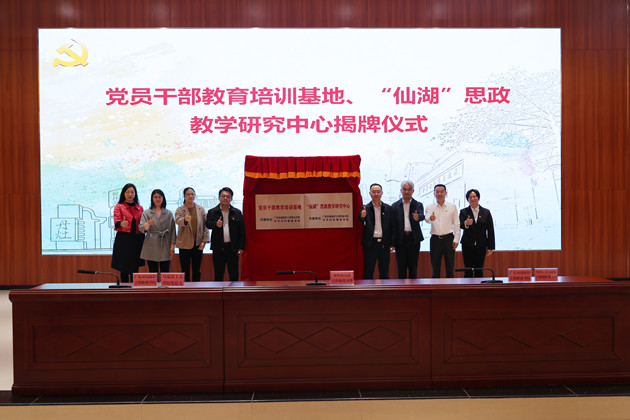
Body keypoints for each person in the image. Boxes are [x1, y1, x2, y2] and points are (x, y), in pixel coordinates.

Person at [206, 187, 246, 281]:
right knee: (218, 274)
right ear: (219, 197)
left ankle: (234, 290)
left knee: (234, 274)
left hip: (232, 248)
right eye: (223, 196)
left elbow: (241, 231)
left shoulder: (236, 212)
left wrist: (241, 247)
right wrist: (216, 224)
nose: (225, 198)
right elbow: (208, 224)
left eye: (228, 197)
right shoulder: (212, 212)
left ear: (231, 199)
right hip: (218, 248)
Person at [111, 183, 145, 283]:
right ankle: (125, 287)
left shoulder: (140, 208)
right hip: (124, 239)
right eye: (127, 192)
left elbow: (142, 223)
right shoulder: (119, 206)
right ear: (123, 193)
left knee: (135, 266)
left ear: (135, 194)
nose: (130, 194)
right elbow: (116, 220)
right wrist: (121, 223)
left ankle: (135, 288)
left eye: (132, 192)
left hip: (137, 239)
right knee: (124, 267)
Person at [424, 184, 460, 278]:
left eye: (442, 192)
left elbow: (456, 223)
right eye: (437, 192)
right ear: (434, 193)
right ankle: (435, 287)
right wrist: (431, 218)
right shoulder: (429, 207)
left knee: (450, 268)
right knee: (435, 269)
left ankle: (450, 286)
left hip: (448, 239)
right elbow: (427, 219)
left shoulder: (452, 206)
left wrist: (456, 239)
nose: (439, 194)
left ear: (445, 193)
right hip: (435, 240)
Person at [359, 183, 393, 279]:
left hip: (384, 244)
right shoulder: (365, 208)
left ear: (382, 193)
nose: (376, 194)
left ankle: (385, 289)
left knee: (384, 271)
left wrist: (392, 243)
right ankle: (367, 289)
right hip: (370, 244)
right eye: (373, 192)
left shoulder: (388, 208)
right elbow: (360, 220)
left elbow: (392, 226)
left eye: (378, 192)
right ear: (370, 193)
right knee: (368, 271)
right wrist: (362, 216)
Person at [391, 180, 424, 279]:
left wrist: (418, 217)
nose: (406, 192)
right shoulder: (395, 206)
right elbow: (393, 226)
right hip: (400, 240)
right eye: (404, 189)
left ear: (413, 191)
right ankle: (402, 288)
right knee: (401, 269)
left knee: (413, 268)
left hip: (413, 240)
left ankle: (413, 288)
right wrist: (392, 243)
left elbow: (422, 215)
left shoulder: (418, 204)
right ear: (401, 190)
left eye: (409, 189)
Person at [459, 188, 495, 278]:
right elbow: (460, 225)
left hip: (481, 244)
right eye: (470, 197)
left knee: (479, 269)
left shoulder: (486, 212)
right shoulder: (463, 211)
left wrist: (490, 247)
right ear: (467, 199)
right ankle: (467, 286)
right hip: (467, 244)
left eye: (474, 196)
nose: (472, 199)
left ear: (478, 198)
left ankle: (479, 286)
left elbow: (490, 230)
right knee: (468, 269)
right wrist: (466, 223)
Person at [175, 187, 209, 282]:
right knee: (185, 270)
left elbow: (205, 226)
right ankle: (185, 289)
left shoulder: (201, 209)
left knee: (196, 270)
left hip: (198, 243)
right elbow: (177, 221)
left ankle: (196, 288)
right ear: (184, 196)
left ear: (195, 195)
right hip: (184, 244)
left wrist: (204, 241)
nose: (190, 196)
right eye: (188, 194)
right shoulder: (180, 209)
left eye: (192, 194)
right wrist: (185, 220)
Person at [139, 189, 176, 274]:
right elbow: (141, 228)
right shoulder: (146, 212)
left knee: (165, 272)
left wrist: (172, 247)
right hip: (151, 244)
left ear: (163, 198)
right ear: (152, 199)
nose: (157, 199)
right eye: (155, 197)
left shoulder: (169, 213)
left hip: (165, 244)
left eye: (159, 197)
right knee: (153, 272)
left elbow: (173, 231)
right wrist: (148, 223)